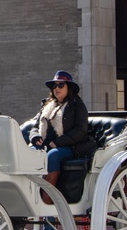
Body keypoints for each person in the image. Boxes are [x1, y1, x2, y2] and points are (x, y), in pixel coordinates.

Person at [28, 70, 96, 204]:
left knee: (53, 155)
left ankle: (47, 200)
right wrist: (35, 137)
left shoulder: (77, 105)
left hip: (71, 147)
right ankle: (29, 196)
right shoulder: (47, 106)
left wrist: (58, 142)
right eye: (54, 86)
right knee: (30, 153)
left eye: (61, 85)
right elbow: (35, 126)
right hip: (46, 145)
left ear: (68, 88)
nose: (57, 88)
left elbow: (81, 130)